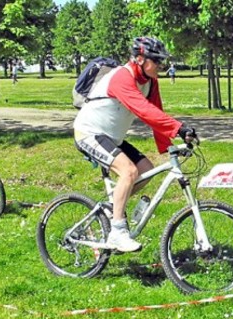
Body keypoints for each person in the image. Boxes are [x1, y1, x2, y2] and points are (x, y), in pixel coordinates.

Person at [73, 37, 197, 252]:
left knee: (146, 170)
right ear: (140, 59)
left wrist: (170, 147)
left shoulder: (150, 81)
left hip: (112, 138)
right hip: (88, 133)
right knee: (129, 172)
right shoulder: (121, 77)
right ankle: (117, 232)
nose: (161, 66)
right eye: (156, 61)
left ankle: (112, 208)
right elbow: (142, 109)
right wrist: (179, 128)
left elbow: (156, 113)